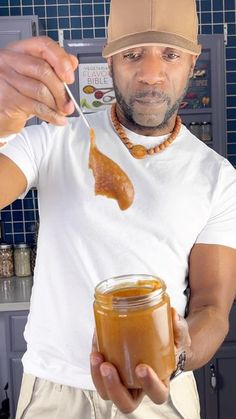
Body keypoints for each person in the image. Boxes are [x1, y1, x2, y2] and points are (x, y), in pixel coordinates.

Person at [0, 0, 236, 417]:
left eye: (169, 54)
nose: (150, 74)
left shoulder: (216, 176)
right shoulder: (53, 138)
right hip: (54, 394)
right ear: (109, 61)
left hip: (164, 395)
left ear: (193, 60)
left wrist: (177, 354)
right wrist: (2, 121)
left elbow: (211, 308)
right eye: (132, 54)